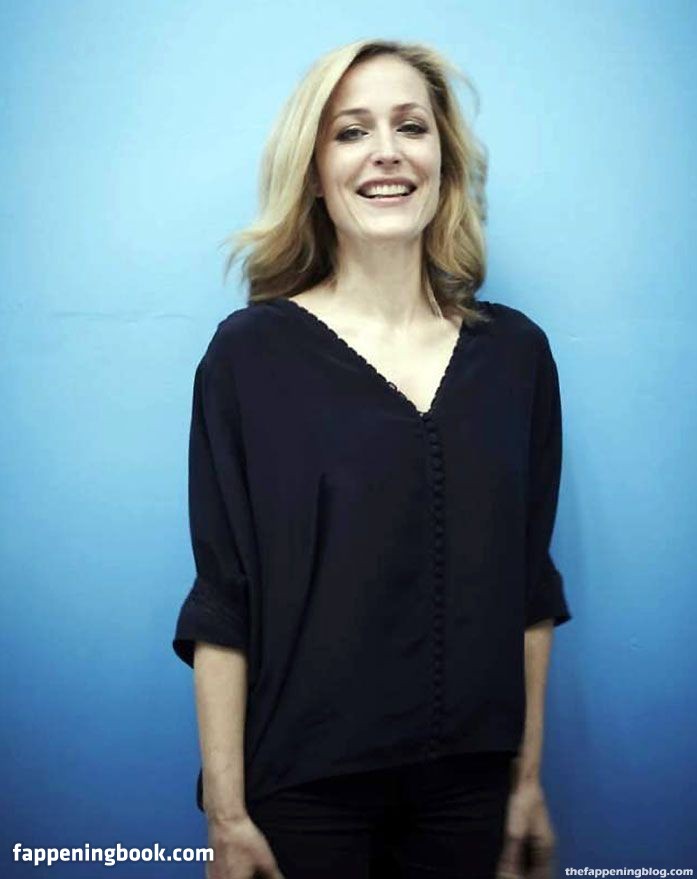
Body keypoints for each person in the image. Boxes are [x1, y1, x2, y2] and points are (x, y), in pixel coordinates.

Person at [172, 38, 572, 879]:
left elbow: (528, 588)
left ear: (443, 161)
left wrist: (526, 781)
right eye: (351, 131)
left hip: (472, 792)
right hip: (302, 796)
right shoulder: (249, 357)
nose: (386, 152)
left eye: (410, 127)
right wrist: (227, 814)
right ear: (315, 173)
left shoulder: (516, 356)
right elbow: (223, 598)